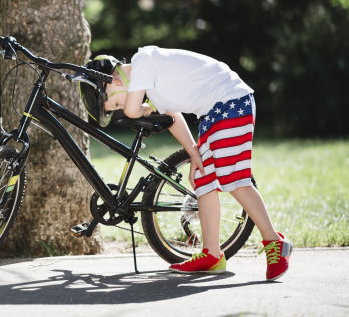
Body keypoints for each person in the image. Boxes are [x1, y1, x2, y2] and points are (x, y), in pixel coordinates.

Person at [79, 48, 292, 281]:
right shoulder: (151, 83)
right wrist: (193, 152)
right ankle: (212, 254)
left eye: (115, 103)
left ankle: (275, 241)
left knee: (234, 179)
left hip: (231, 102)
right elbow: (173, 118)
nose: (123, 107)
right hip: (214, 111)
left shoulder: (144, 62)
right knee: (204, 180)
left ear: (114, 82)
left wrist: (138, 109)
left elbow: (131, 110)